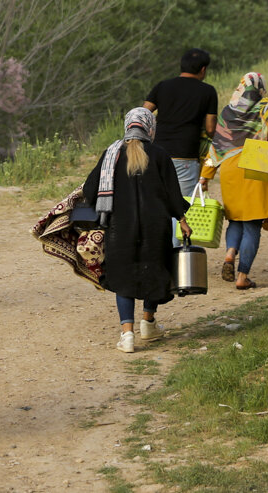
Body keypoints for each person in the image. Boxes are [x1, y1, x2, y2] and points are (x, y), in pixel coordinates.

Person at [81, 108, 192, 353]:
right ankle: (148, 323)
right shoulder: (160, 154)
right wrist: (182, 219)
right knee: (155, 269)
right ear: (149, 128)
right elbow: (173, 193)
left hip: (119, 228)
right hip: (156, 226)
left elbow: (90, 190)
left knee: (124, 278)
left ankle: (127, 334)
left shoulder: (112, 155)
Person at [199, 73, 268, 290]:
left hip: (231, 170)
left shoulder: (228, 111)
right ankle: (242, 276)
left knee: (236, 219)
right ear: (261, 87)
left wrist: (206, 175)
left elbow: (217, 146)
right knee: (252, 224)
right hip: (257, 166)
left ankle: (230, 253)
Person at [143, 49, 218, 198]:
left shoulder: (162, 86)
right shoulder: (207, 91)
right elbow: (210, 129)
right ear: (203, 70)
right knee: (182, 205)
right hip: (185, 154)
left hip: (156, 152)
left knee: (156, 202)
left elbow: (142, 113)